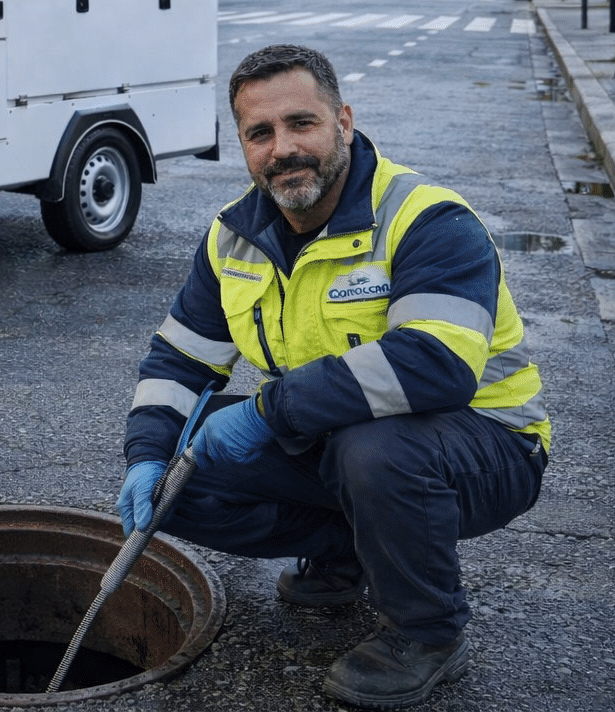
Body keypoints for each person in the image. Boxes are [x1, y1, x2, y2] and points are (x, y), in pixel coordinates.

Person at [117, 44, 549, 709]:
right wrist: (147, 456)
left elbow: (437, 365)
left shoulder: (426, 218)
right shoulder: (232, 237)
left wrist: (264, 413)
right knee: (180, 470)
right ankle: (354, 548)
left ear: (343, 121)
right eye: (260, 133)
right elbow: (179, 360)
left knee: (372, 449)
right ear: (243, 145)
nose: (282, 148)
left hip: (488, 445)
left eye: (302, 123)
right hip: (331, 428)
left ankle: (428, 633)